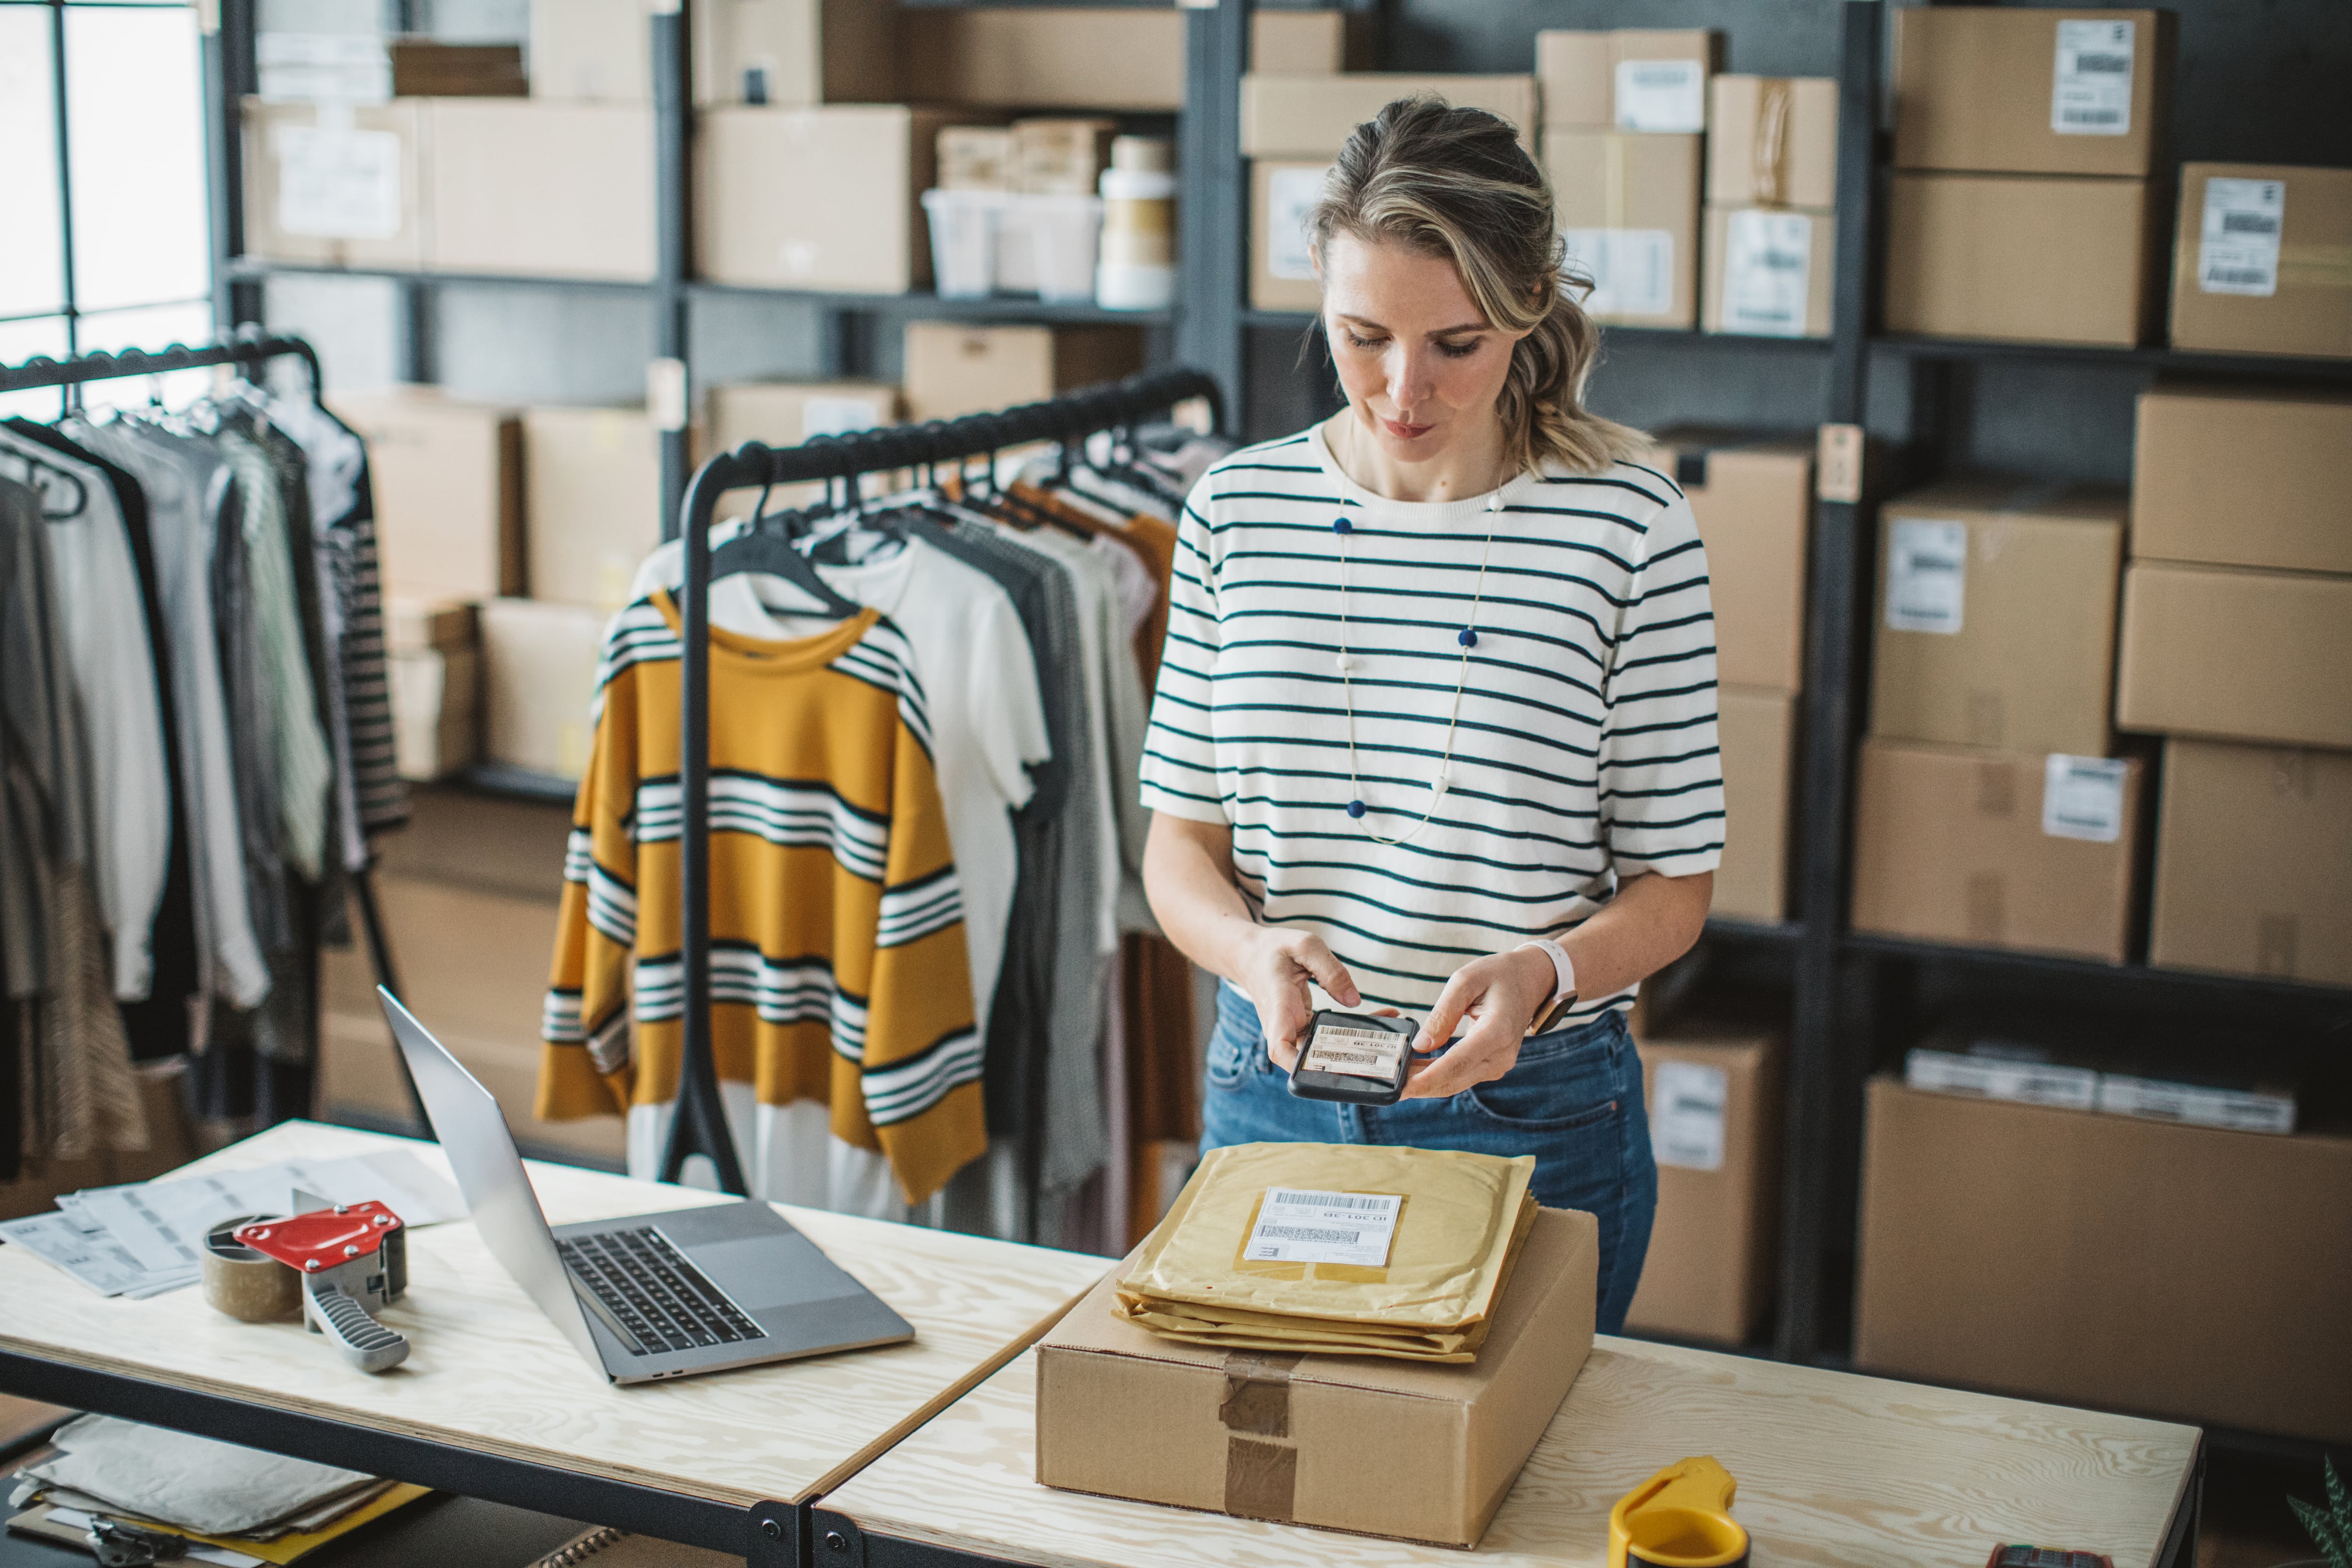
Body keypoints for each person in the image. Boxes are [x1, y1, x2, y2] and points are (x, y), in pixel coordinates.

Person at [1137, 96, 1723, 1333]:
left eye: (1457, 343)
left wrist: (1547, 972)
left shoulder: (1629, 529)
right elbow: (1178, 848)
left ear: (1530, 307)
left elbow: (1675, 891)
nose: (1403, 391)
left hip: (1535, 1114)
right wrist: (1251, 954)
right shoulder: (1235, 515)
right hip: (1274, 1086)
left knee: (1512, 1507)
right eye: (1363, 337)